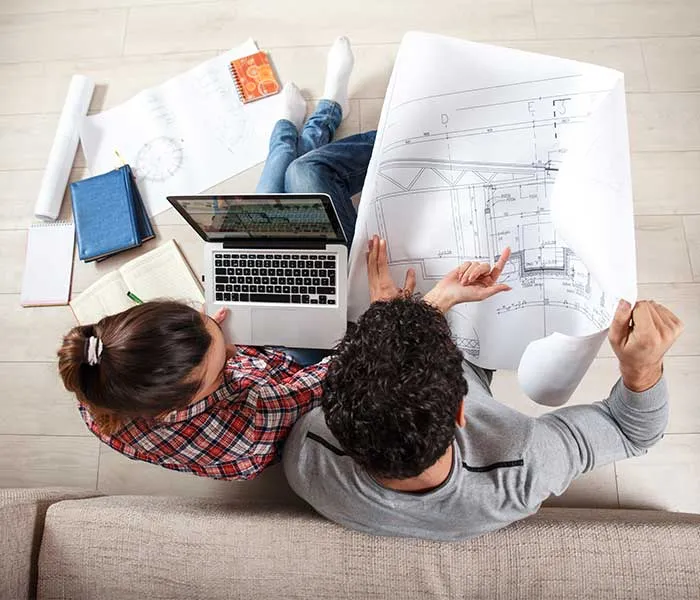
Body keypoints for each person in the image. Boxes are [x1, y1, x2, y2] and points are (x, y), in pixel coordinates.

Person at [57, 37, 377, 480]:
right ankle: (310, 120)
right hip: (296, 367)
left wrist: (226, 327)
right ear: (185, 400)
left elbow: (195, 350)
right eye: (222, 355)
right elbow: (340, 369)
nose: (226, 338)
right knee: (302, 175)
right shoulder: (250, 425)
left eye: (204, 319)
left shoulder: (100, 382)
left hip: (256, 360)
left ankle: (294, 125)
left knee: (275, 199)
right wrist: (383, 309)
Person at [282, 237, 682, 541]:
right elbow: (633, 431)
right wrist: (640, 366)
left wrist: (393, 316)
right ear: (461, 409)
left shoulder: (308, 456)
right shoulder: (520, 466)